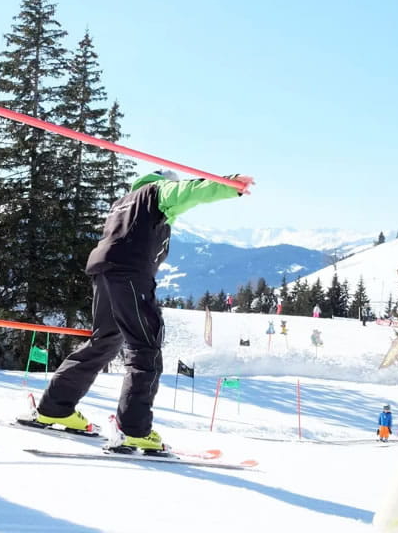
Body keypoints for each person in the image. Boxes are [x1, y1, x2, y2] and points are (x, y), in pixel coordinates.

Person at [32, 170, 254, 452]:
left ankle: (55, 407)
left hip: (104, 272)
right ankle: (134, 429)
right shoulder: (157, 193)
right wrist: (229, 184)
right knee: (145, 346)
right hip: (130, 274)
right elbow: (191, 190)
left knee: (105, 341)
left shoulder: (123, 202)